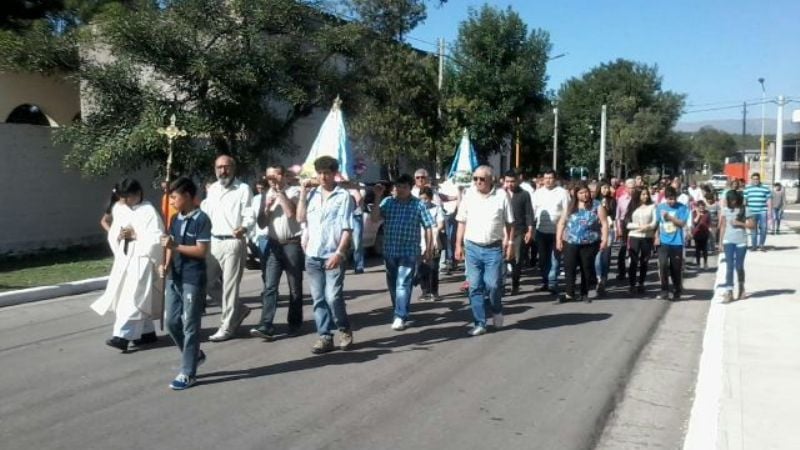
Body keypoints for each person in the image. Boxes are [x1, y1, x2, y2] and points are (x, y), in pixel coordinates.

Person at [91, 178, 164, 352]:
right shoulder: (120, 208)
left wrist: (136, 235)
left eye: (127, 197)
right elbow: (114, 230)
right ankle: (146, 333)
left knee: (133, 299)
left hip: (142, 259)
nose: (124, 201)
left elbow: (156, 238)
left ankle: (121, 336)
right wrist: (120, 235)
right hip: (125, 259)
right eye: (122, 198)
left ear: (137, 194)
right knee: (128, 297)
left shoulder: (148, 211)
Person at [296, 156, 355, 354]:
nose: (323, 177)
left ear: (334, 174)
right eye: (320, 173)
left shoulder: (343, 196)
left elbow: (348, 228)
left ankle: (344, 330)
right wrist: (303, 194)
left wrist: (339, 253)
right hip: (312, 255)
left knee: (333, 297)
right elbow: (299, 217)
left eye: (327, 173)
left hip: (333, 254)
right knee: (318, 298)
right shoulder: (311, 195)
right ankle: (325, 336)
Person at [159, 177, 210, 391]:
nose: (170, 201)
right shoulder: (175, 219)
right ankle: (195, 355)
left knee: (190, 325)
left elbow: (201, 251)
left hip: (193, 278)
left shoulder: (202, 219)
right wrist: (166, 264)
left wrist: (176, 246)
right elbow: (169, 246)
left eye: (174, 197)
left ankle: (188, 372)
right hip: (175, 276)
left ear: (188, 196)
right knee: (171, 322)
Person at [455, 165, 515, 336]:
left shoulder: (502, 196)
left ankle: (496, 310)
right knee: (474, 286)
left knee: (493, 285)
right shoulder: (469, 195)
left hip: (493, 248)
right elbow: (461, 221)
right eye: (475, 178)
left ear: (491, 180)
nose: (478, 182)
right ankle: (480, 322)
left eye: (482, 179)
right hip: (472, 247)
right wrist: (458, 245)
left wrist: (510, 243)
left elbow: (510, 223)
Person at [202, 155, 254, 342]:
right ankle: (239, 311)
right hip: (213, 242)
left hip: (233, 241)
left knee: (230, 287)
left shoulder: (242, 189)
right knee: (205, 282)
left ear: (233, 168)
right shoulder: (213, 189)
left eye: (226, 167)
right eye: (219, 167)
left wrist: (245, 227)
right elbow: (205, 213)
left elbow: (249, 213)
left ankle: (227, 326)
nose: (222, 171)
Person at [371, 175, 434, 331]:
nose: (400, 190)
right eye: (398, 186)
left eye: (404, 187)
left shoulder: (419, 205)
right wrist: (378, 196)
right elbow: (374, 218)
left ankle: (399, 316)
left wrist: (429, 248)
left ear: (410, 188)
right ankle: (401, 311)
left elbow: (428, 226)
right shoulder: (388, 202)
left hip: (409, 251)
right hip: (390, 251)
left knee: (402, 283)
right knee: (394, 285)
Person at [250, 165, 304, 340]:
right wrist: (265, 208)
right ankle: (266, 324)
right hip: (273, 244)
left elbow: (291, 214)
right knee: (270, 286)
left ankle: (295, 322)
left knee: (294, 287)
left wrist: (280, 194)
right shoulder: (266, 194)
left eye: (273, 176)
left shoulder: (294, 191)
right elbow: (261, 224)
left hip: (291, 243)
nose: (270, 180)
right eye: (268, 177)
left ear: (282, 176)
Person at [556, 183, 608, 303]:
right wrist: (558, 239)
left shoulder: (596, 205)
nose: (584, 195)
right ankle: (569, 293)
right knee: (569, 267)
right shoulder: (570, 206)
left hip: (590, 243)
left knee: (586, 268)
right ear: (576, 194)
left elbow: (604, 223)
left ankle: (584, 293)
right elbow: (561, 223)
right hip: (570, 242)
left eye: (586, 192)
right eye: (581, 193)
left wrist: (604, 240)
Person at [531, 169, 570, 295]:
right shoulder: (537, 193)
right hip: (541, 231)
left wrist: (564, 230)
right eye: (546, 178)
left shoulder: (563, 193)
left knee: (555, 258)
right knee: (543, 259)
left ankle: (552, 283)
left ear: (555, 179)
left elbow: (567, 212)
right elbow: (532, 211)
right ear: (542, 179)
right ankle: (545, 281)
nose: (548, 180)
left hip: (556, 232)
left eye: (550, 178)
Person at [654, 186, 690, 300]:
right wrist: (656, 237)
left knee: (676, 268)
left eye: (673, 199)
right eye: (669, 199)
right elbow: (657, 224)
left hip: (677, 242)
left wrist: (670, 217)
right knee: (663, 265)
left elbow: (682, 223)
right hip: (663, 242)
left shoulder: (682, 208)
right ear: (665, 198)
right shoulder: (660, 207)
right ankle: (664, 290)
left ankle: (677, 290)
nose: (672, 201)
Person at [502, 170, 534, 295]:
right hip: (502, 231)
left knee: (516, 259)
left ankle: (515, 284)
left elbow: (528, 213)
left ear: (517, 181)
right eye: (507, 181)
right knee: (501, 259)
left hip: (519, 231)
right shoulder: (499, 193)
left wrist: (530, 230)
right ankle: (501, 285)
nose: (510, 184)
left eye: (512, 181)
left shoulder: (524, 194)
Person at [717, 190, 753, 301]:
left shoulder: (745, 209)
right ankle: (729, 291)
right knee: (729, 266)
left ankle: (741, 288)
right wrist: (720, 242)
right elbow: (723, 226)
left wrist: (740, 223)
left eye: (734, 200)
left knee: (739, 266)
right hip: (728, 241)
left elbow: (752, 225)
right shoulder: (725, 210)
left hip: (741, 241)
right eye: (730, 200)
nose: (733, 202)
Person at [625, 188, 657, 294]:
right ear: (638, 195)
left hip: (647, 237)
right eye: (643, 194)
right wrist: (638, 226)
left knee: (644, 261)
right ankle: (632, 284)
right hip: (634, 236)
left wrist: (647, 227)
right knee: (633, 261)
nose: (645, 196)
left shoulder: (652, 207)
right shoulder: (633, 207)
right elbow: (627, 223)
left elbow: (654, 222)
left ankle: (641, 283)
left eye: (647, 194)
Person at [417, 187, 445, 301]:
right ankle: (425, 292)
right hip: (420, 241)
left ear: (431, 198)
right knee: (421, 267)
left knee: (433, 267)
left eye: (426, 199)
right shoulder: (417, 209)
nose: (424, 201)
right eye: (421, 199)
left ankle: (434, 292)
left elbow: (441, 224)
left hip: (433, 240)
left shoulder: (436, 209)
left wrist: (435, 230)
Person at [594, 182, 616, 295]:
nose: (606, 190)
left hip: (609, 229)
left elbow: (614, 215)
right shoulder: (595, 201)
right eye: (603, 188)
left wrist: (607, 209)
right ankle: (598, 279)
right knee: (597, 256)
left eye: (607, 187)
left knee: (606, 255)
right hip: (596, 231)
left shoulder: (612, 200)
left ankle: (604, 277)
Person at [742, 172, 771, 251]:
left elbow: (769, 200)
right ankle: (754, 246)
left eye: (757, 179)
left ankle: (761, 245)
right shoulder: (747, 189)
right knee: (753, 229)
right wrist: (744, 212)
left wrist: (770, 212)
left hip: (763, 211)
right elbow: (744, 201)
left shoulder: (765, 188)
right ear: (751, 180)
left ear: (759, 179)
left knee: (764, 229)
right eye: (754, 179)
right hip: (752, 212)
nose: (755, 181)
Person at [347, 181, 367, 274]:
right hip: (344, 216)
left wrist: (354, 188)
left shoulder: (360, 185)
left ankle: (359, 266)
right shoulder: (339, 185)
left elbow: (359, 200)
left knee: (357, 242)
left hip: (356, 215)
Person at [691, 200, 711, 268]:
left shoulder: (707, 213)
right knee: (697, 249)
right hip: (697, 233)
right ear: (697, 207)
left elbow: (709, 223)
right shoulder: (694, 213)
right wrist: (698, 214)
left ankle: (705, 263)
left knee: (705, 249)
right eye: (700, 207)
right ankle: (698, 264)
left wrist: (709, 229)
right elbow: (695, 222)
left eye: (703, 206)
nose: (702, 208)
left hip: (705, 233)